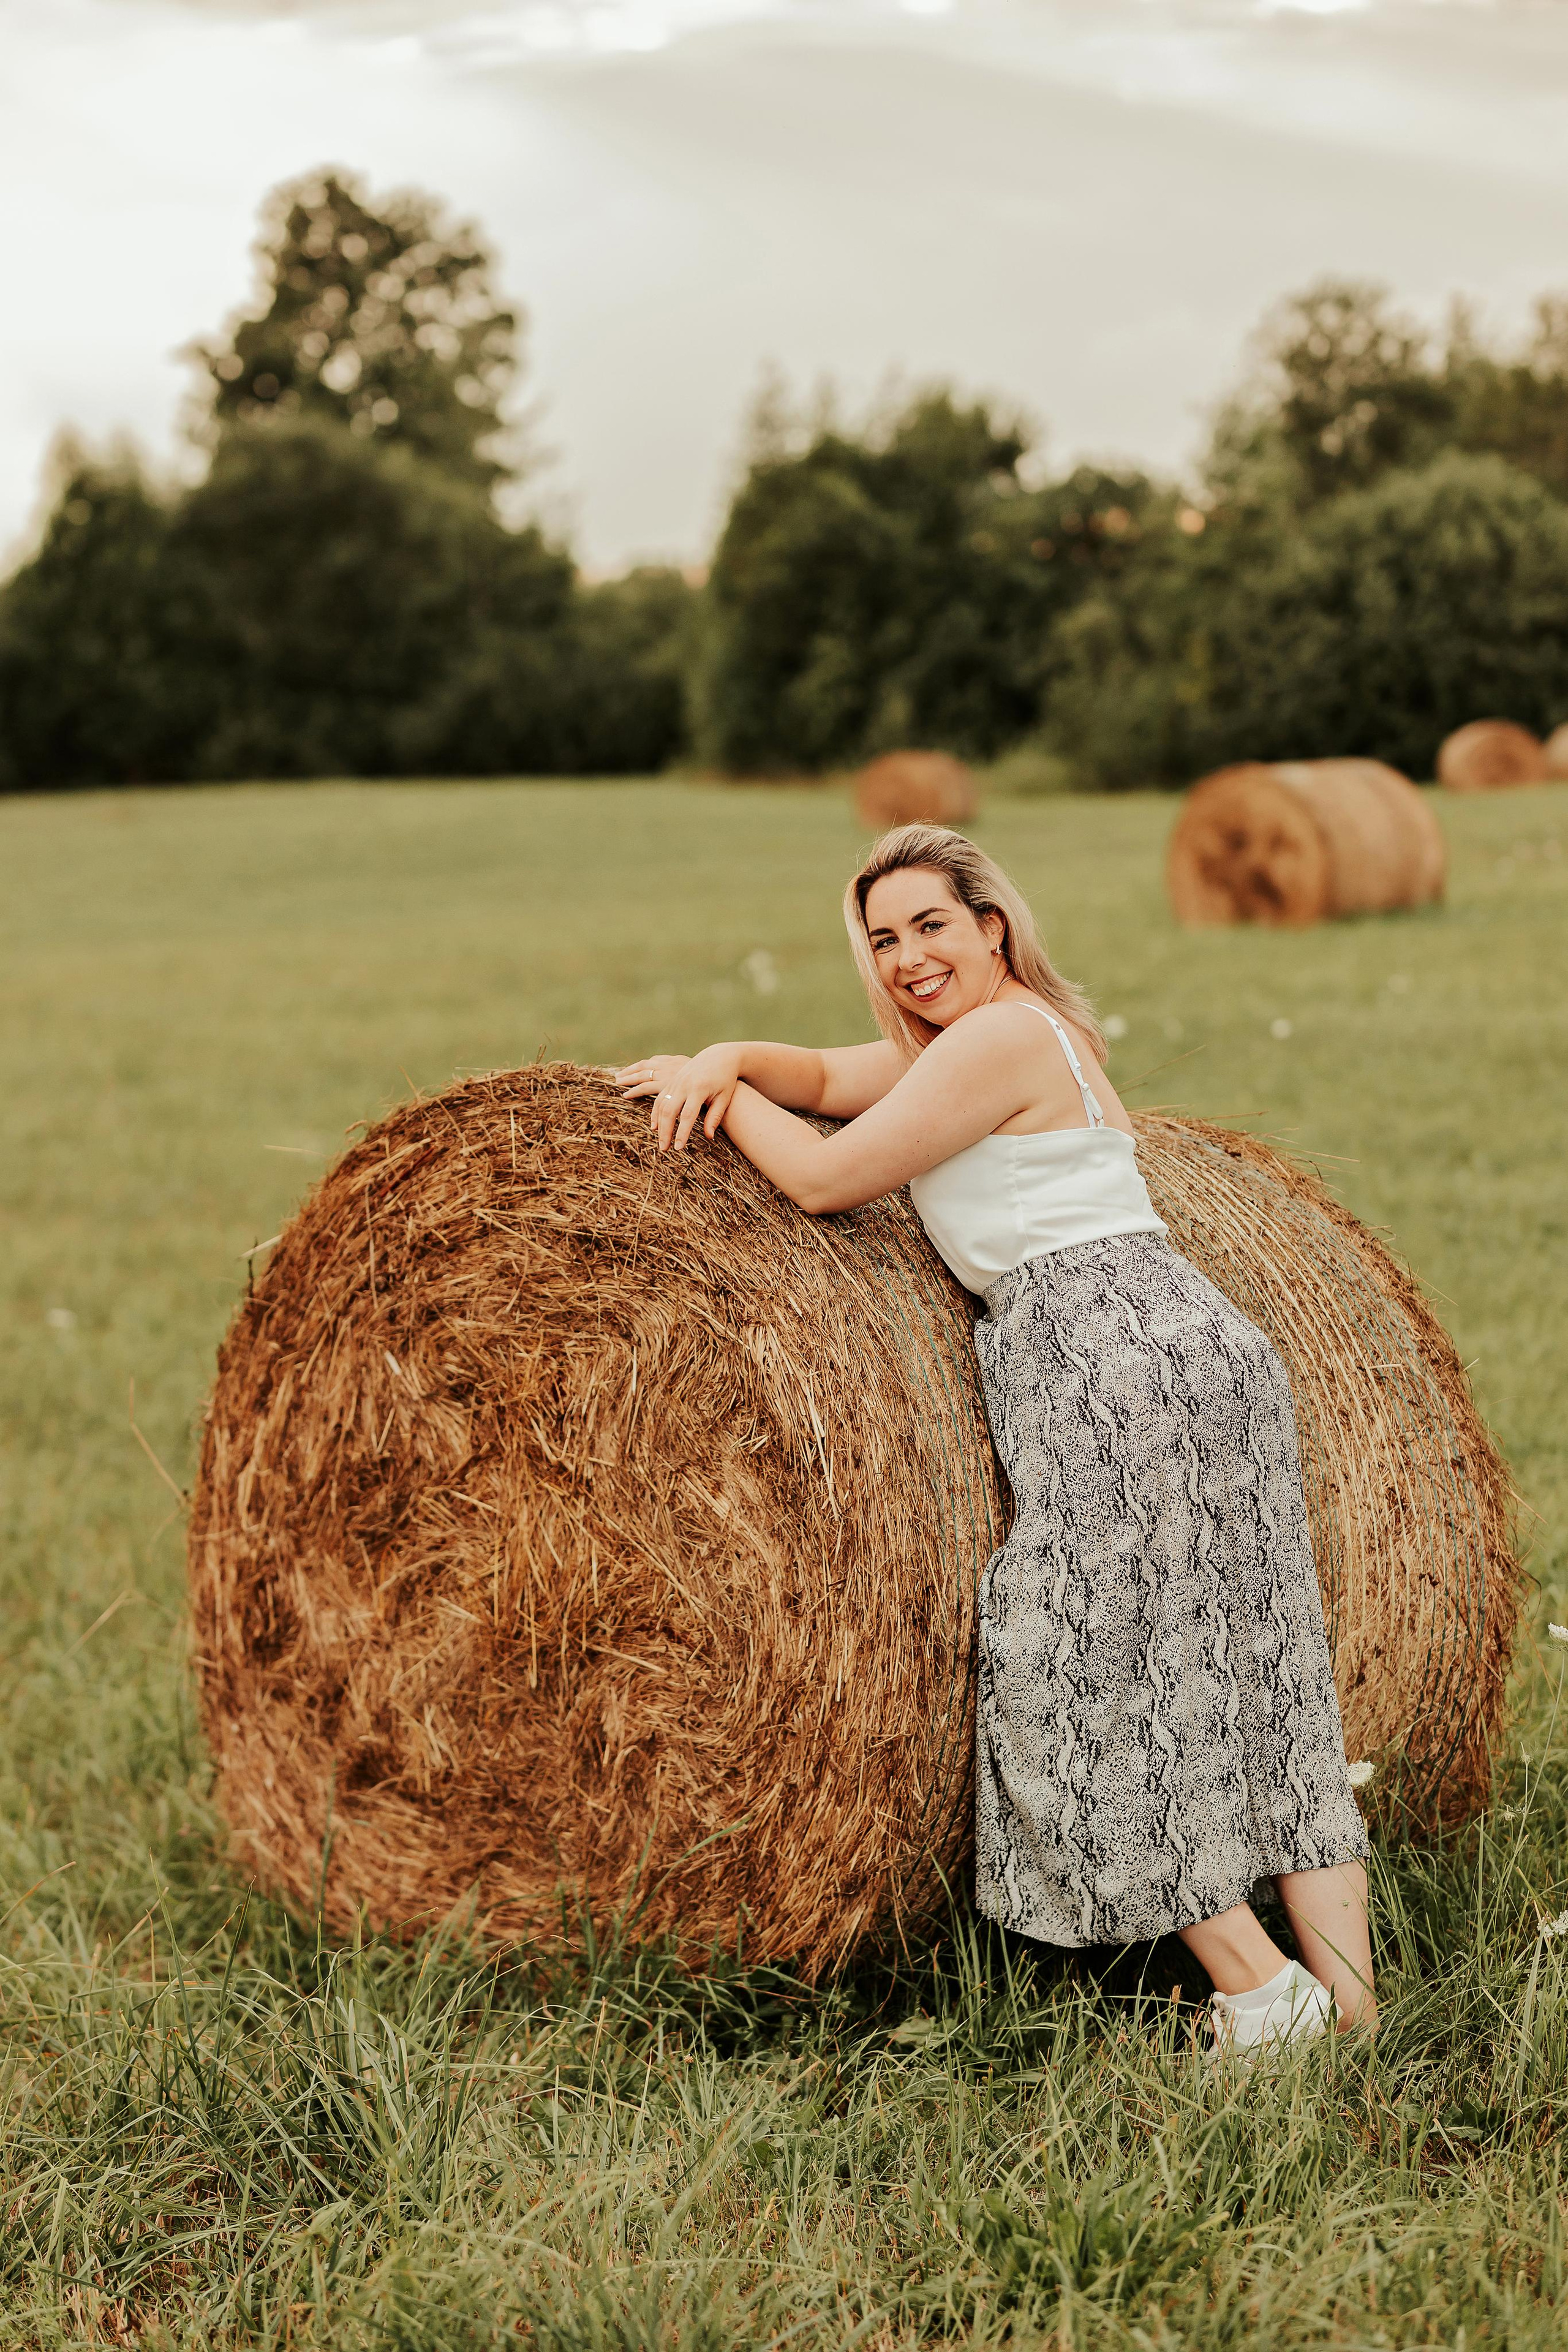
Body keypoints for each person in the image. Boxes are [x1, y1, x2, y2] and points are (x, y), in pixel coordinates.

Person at [615, 822, 1375, 2056]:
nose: (908, 957)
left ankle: (1262, 1996)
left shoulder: (998, 1039)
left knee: (1061, 1669)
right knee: (1262, 1672)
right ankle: (1352, 2015)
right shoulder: (1006, 1035)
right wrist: (730, 1055)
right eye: (882, 940)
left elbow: (824, 1177)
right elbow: (825, 1074)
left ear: (992, 926)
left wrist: (721, 1097)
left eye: (931, 925)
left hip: (1102, 1359)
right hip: (1190, 1346)